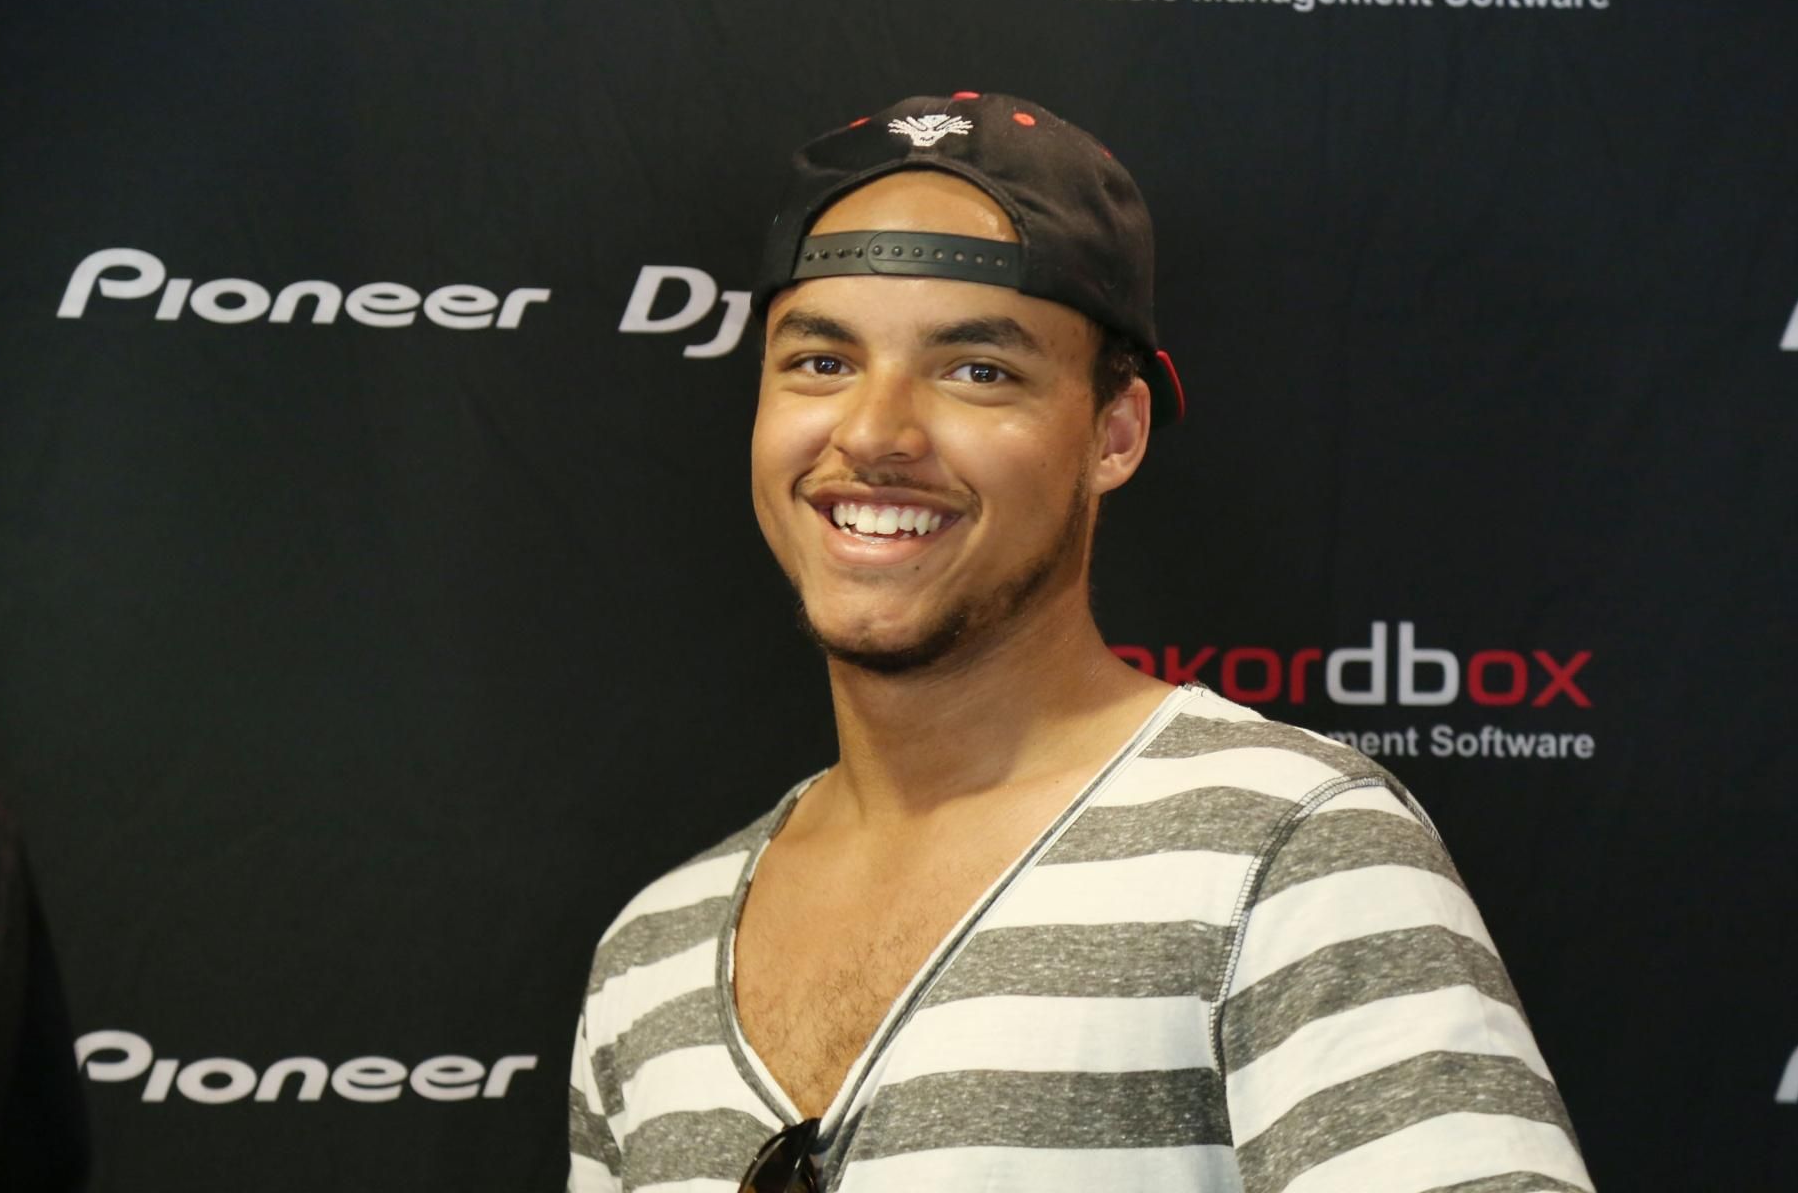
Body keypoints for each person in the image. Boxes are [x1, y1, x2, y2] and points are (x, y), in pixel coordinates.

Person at [568, 92, 1593, 1193]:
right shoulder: (653, 953)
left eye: (977, 370)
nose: (873, 433)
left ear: (1115, 433)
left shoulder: (1291, 852)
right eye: (822, 362)